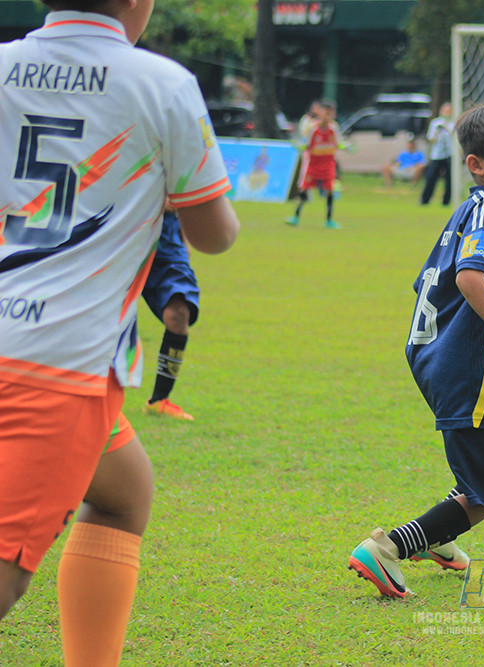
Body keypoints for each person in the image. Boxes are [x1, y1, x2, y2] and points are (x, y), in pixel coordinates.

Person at [0, 3, 240, 666]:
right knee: (7, 577)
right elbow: (213, 235)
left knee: (122, 491)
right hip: (58, 362)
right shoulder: (160, 83)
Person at [349, 104, 484, 598]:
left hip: (443, 354)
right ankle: (391, 547)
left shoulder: (473, 206)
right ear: (477, 164)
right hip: (468, 361)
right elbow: (468, 276)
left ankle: (440, 535)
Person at [142, 207, 201, 421]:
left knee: (178, 312)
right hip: (117, 227)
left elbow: (180, 193)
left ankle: (159, 400)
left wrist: (183, 235)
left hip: (165, 235)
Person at [286, 100, 340, 229]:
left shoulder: (334, 129)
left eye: (330, 114)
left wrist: (346, 146)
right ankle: (296, 216)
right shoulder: (313, 129)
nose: (328, 117)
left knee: (329, 191)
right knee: (304, 190)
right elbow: (307, 145)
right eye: (326, 113)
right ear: (320, 114)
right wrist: (301, 146)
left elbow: (338, 143)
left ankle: (329, 220)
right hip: (313, 165)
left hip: (328, 165)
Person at [420, 101, 454, 206]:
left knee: (450, 180)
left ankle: (446, 201)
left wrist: (447, 129)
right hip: (437, 154)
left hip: (450, 154)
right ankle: (425, 200)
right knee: (431, 177)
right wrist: (437, 131)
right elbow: (431, 139)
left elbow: (455, 137)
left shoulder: (454, 123)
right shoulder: (435, 123)